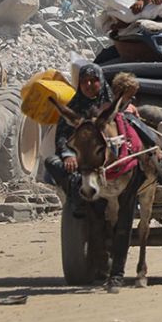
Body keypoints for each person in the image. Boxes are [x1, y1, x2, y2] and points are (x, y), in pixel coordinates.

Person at [43, 62, 110, 214]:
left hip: (106, 160)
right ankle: (77, 197)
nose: (88, 84)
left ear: (101, 81)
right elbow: (62, 136)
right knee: (51, 163)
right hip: (81, 159)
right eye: (84, 81)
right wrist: (68, 155)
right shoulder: (73, 108)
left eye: (93, 80)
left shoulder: (110, 106)